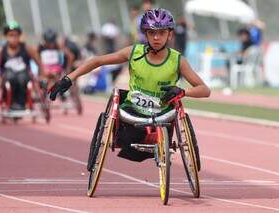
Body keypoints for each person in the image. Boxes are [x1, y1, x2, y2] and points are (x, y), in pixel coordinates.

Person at [49, 8, 210, 161]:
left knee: (153, 138)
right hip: (133, 113)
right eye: (151, 33)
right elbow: (97, 61)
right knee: (128, 140)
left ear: (170, 35)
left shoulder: (178, 60)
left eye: (161, 33)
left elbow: (204, 90)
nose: (156, 38)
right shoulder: (134, 53)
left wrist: (182, 92)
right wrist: (68, 79)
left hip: (163, 115)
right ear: (145, 34)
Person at [0, 21, 44, 110]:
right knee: (11, 77)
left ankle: (21, 103)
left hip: (24, 74)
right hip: (7, 75)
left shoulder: (27, 48)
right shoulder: (0, 51)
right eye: (11, 35)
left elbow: (40, 64)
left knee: (22, 78)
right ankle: (11, 102)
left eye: (16, 35)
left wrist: (41, 77)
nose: (14, 38)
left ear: (19, 36)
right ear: (6, 36)